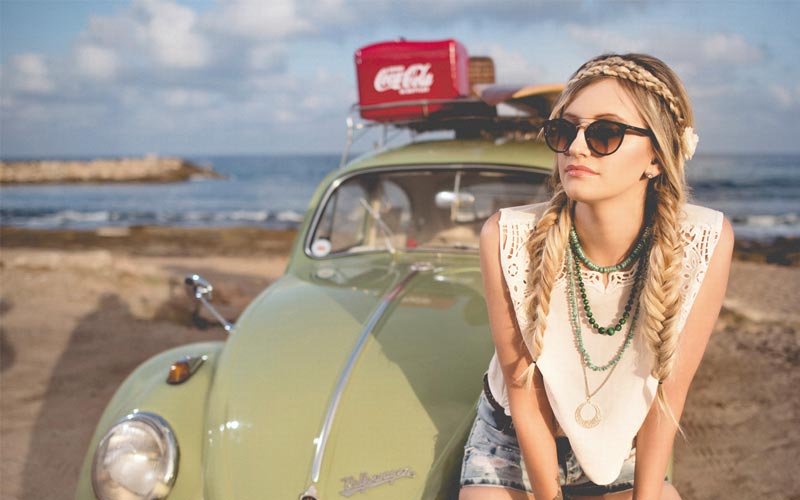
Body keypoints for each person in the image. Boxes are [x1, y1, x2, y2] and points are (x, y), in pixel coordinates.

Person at [459, 53, 733, 500]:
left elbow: (669, 397)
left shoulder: (704, 242)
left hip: (622, 442)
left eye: (605, 132)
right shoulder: (508, 237)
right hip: (513, 441)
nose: (577, 147)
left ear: (656, 160)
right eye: (565, 130)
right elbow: (523, 393)